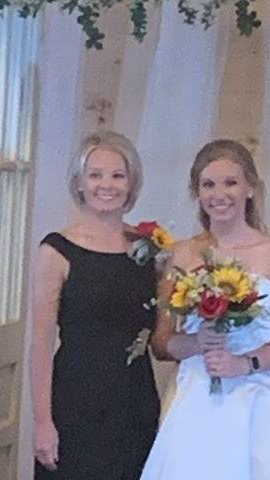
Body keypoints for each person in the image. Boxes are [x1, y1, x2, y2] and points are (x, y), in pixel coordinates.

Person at [141, 140, 270, 479]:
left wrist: (244, 363)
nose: (219, 194)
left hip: (255, 397)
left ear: (250, 187)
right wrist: (197, 343)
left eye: (231, 183)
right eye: (208, 184)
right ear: (197, 192)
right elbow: (161, 343)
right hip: (196, 394)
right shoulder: (182, 254)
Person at [31, 131, 160, 480]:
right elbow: (41, 345)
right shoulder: (56, 250)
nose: (107, 185)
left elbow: (163, 329)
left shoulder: (148, 248)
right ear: (80, 182)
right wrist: (43, 423)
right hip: (75, 402)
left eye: (118, 175)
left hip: (135, 402)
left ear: (131, 183)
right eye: (96, 175)